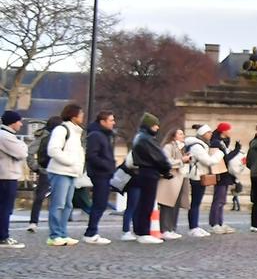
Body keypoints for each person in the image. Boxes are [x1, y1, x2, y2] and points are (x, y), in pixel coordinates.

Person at [44, 103, 87, 246]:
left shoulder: (76, 132)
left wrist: (78, 169)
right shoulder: (61, 130)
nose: (83, 117)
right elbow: (53, 150)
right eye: (81, 114)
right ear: (73, 115)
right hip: (60, 172)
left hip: (71, 173)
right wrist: (71, 162)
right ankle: (54, 235)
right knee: (59, 204)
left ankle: (62, 233)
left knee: (68, 204)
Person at [127, 113, 173, 245]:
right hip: (149, 172)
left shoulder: (139, 137)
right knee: (147, 203)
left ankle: (140, 230)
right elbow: (159, 157)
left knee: (142, 203)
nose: (157, 128)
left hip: (143, 171)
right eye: (155, 125)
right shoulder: (146, 139)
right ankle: (144, 232)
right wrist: (166, 169)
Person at [81, 111, 118, 244]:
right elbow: (92, 155)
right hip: (99, 174)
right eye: (111, 120)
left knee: (100, 204)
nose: (113, 123)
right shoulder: (96, 135)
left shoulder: (103, 135)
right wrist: (107, 166)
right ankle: (91, 233)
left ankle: (92, 231)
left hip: (103, 173)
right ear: (102, 122)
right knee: (99, 204)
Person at [0, 110, 29, 248]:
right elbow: (22, 152)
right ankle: (3, 237)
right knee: (5, 208)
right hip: (6, 176)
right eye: (19, 121)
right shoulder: (6, 136)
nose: (21, 124)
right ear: (13, 122)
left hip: (6, 175)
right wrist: (23, 145)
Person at [156, 127, 189, 239]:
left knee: (175, 205)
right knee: (167, 204)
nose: (182, 135)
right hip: (170, 179)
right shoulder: (168, 146)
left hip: (179, 179)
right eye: (180, 134)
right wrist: (181, 161)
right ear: (173, 136)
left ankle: (172, 228)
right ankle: (165, 229)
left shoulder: (181, 147)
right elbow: (167, 161)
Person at [208, 124, 240, 234]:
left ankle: (220, 222)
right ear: (223, 131)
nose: (230, 132)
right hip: (220, 174)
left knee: (222, 200)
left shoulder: (222, 141)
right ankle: (214, 223)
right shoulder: (216, 142)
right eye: (228, 130)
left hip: (225, 174)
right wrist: (236, 150)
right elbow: (224, 158)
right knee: (218, 200)